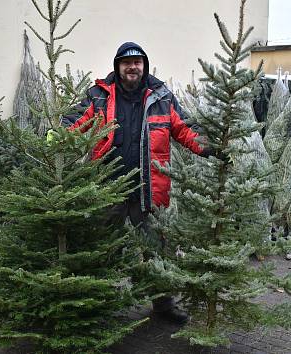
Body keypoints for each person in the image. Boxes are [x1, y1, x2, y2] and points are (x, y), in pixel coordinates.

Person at [62, 42, 210, 323]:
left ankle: (163, 305)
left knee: (156, 250)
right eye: (126, 63)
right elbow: (75, 121)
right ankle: (97, 304)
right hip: (109, 188)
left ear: (145, 65)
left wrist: (209, 146)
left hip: (149, 189)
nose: (133, 67)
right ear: (117, 66)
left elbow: (184, 129)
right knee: (103, 248)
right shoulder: (100, 96)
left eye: (138, 62)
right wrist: (56, 136)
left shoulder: (161, 97)